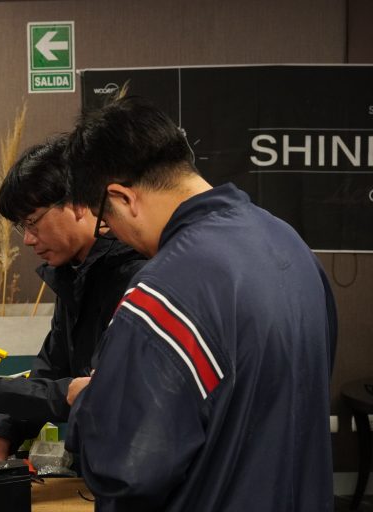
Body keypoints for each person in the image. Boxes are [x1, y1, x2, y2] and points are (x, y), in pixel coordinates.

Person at [63, 96, 338, 511]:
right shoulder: (290, 244)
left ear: (122, 198)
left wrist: (91, 400)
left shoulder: (165, 289)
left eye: (106, 221)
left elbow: (126, 469)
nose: (113, 234)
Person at [0, 137, 145, 462]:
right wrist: (4, 436)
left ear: (77, 203)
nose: (28, 239)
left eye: (32, 223)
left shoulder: (134, 276)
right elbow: (52, 368)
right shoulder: (74, 271)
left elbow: (96, 391)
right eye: (22, 227)